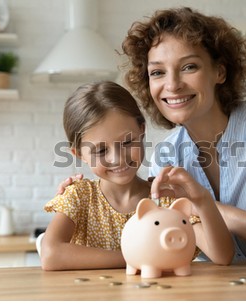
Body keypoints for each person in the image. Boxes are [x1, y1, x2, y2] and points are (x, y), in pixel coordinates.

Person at [58, 7, 246, 269]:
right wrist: (85, 197)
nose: (172, 85)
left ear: (220, 70)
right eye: (158, 72)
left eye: (189, 67)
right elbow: (165, 246)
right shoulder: (167, 157)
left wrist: (215, 210)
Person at [41, 80, 233, 271]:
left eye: (127, 142)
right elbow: (50, 255)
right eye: (100, 151)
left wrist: (202, 200)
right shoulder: (79, 196)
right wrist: (137, 258)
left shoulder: (166, 200)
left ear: (142, 129)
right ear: (79, 154)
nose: (117, 158)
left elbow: (222, 256)